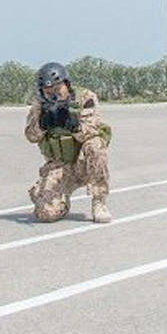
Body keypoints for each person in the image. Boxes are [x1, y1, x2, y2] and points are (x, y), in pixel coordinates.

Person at [24, 62, 113, 223]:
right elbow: (30, 136)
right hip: (60, 165)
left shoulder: (84, 98)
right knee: (46, 213)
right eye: (48, 92)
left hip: (84, 163)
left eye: (58, 89)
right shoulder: (39, 105)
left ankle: (99, 202)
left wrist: (73, 125)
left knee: (95, 145)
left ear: (67, 84)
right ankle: (58, 199)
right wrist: (42, 124)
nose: (54, 95)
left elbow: (92, 130)